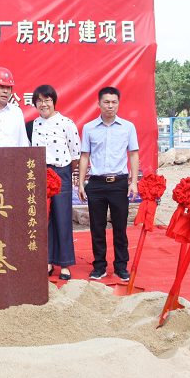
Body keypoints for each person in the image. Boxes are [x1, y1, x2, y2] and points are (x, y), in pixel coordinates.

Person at [77, 87, 139, 282]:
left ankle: (121, 266)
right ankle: (99, 266)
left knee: (120, 227)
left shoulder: (128, 127)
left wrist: (133, 182)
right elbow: (84, 156)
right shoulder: (89, 128)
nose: (110, 106)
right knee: (97, 228)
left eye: (114, 102)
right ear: (99, 104)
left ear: (118, 103)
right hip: (95, 184)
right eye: (106, 102)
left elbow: (133, 154)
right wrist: (81, 183)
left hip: (119, 183)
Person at [26, 85, 80, 281]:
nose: (43, 104)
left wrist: (63, 174)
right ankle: (47, 261)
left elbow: (75, 155)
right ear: (35, 104)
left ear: (53, 101)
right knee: (43, 219)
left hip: (61, 173)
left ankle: (65, 264)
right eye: (39, 100)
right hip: (38, 174)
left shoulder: (67, 123)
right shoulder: (31, 126)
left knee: (62, 217)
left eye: (47, 100)